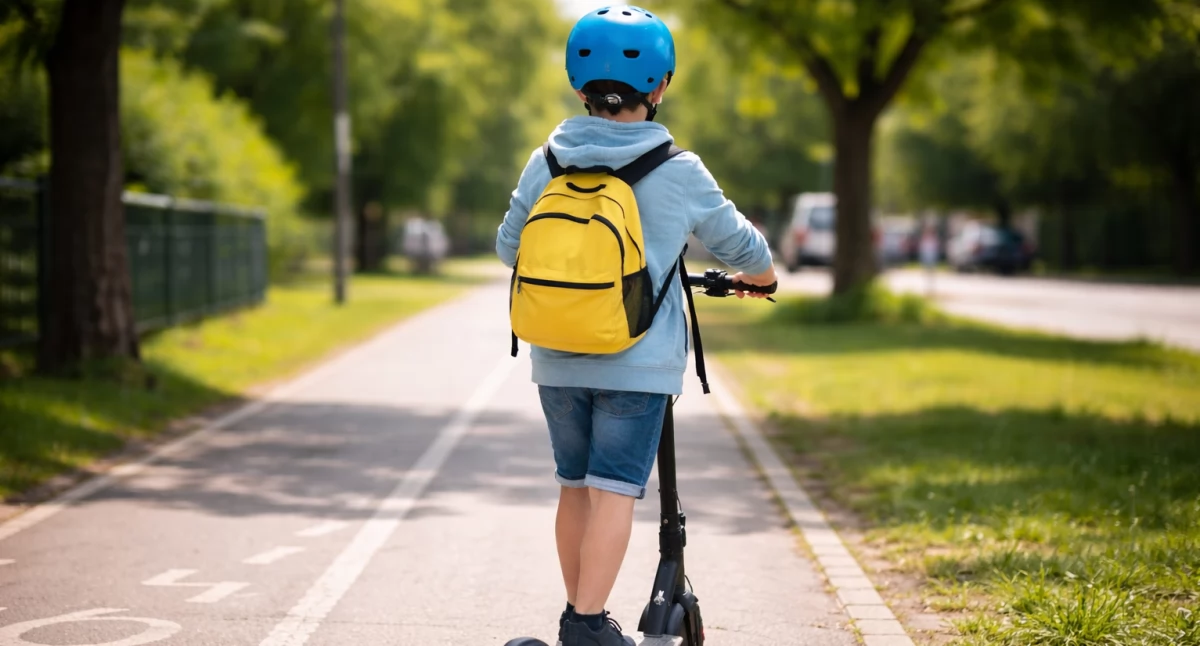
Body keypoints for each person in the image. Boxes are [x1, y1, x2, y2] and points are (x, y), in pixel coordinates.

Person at [495, 6, 777, 645]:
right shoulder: (678, 168)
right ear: (661, 84)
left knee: (574, 489)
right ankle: (587, 625)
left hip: (556, 355)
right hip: (638, 360)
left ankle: (578, 618)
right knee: (614, 490)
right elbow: (743, 247)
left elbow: (509, 247)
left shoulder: (546, 161)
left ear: (578, 85)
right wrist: (761, 280)